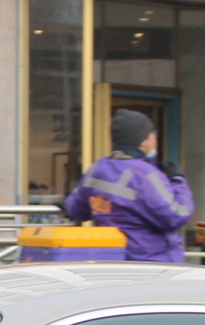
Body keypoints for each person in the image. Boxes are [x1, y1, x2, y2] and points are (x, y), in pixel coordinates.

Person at [64, 110, 194, 263]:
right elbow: (176, 216)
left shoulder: (98, 167)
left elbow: (77, 209)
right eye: (153, 134)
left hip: (111, 259)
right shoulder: (146, 175)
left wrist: (65, 203)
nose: (155, 139)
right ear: (142, 141)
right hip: (152, 264)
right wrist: (178, 181)